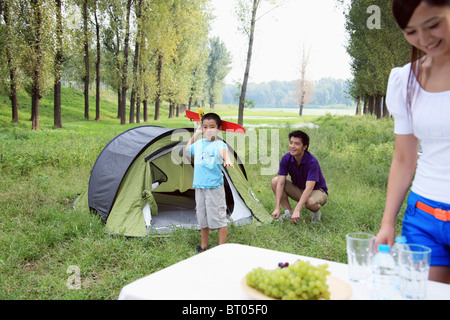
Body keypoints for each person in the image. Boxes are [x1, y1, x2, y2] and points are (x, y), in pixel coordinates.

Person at [376, 0, 450, 284]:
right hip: (424, 216)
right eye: (411, 31)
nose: (425, 39)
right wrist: (387, 222)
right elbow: (405, 158)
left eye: (433, 24)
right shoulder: (404, 80)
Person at [186, 112, 234, 252]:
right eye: (205, 127)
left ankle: (222, 248)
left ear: (218, 129)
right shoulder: (199, 143)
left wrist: (228, 160)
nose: (208, 130)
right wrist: (196, 133)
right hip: (199, 187)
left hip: (214, 187)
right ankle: (204, 246)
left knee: (219, 218)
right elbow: (188, 148)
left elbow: (223, 152)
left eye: (212, 127)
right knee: (202, 217)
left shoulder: (219, 144)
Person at [271, 130, 328, 224]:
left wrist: (297, 209)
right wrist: (277, 208)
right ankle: (288, 213)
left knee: (310, 202)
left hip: (317, 191)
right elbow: (280, 183)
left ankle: (316, 213)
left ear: (304, 147)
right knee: (275, 181)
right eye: (291, 143)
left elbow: (309, 188)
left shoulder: (312, 162)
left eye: (297, 144)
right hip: (300, 188)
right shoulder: (286, 158)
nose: (292, 146)